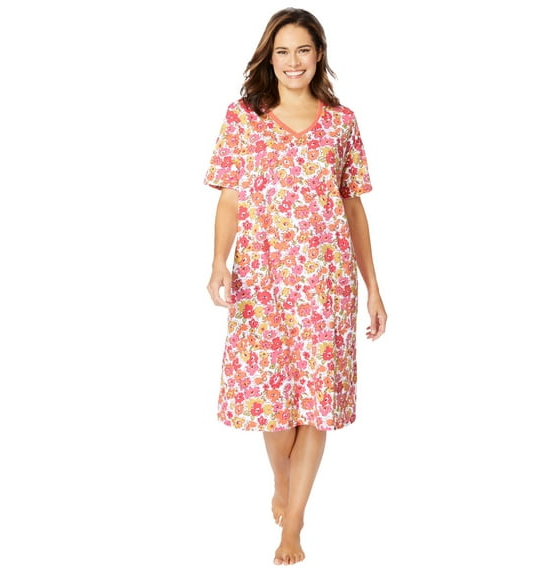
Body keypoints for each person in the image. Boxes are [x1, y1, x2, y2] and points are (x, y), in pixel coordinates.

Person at [204, 7, 387, 566]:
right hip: (262, 281)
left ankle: (294, 524)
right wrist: (218, 263)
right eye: (282, 51)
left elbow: (353, 208)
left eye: (303, 50)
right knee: (274, 405)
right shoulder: (243, 118)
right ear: (270, 57)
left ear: (318, 54)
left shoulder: (342, 122)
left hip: (325, 284)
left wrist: (373, 288)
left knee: (316, 405)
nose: (292, 61)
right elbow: (230, 198)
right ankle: (281, 481)